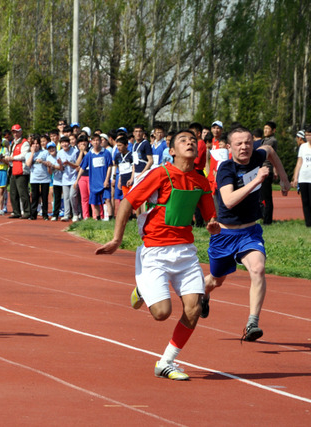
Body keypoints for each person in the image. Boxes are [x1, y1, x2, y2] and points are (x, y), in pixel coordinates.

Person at [96, 130, 219, 380]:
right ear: (171, 151)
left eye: (193, 141)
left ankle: (166, 362)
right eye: (183, 141)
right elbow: (128, 202)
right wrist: (117, 239)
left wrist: (213, 224)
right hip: (155, 251)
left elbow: (210, 216)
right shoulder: (160, 173)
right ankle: (143, 288)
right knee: (162, 314)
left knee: (193, 309)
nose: (190, 143)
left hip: (185, 252)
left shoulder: (201, 180)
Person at [203, 126, 291, 342]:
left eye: (248, 142)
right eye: (239, 143)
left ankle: (253, 321)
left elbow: (269, 150)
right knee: (215, 280)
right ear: (229, 147)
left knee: (258, 269)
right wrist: (257, 180)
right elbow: (229, 201)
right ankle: (203, 296)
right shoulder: (226, 169)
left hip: (249, 232)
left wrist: (284, 177)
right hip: (224, 235)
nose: (244, 147)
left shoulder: (258, 154)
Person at [75, 132, 112, 220]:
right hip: (94, 182)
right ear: (91, 142)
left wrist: (107, 179)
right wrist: (77, 180)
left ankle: (110, 218)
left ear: (100, 141)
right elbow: (82, 167)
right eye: (94, 141)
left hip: (104, 180)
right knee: (95, 201)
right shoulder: (89, 154)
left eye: (97, 140)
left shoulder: (106, 153)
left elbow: (110, 166)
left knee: (107, 199)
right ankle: (98, 218)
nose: (96, 142)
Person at [6, 124, 31, 219]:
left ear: (21, 132)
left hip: (21, 170)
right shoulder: (13, 142)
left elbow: (24, 155)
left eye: (16, 132)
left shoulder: (24, 143)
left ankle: (27, 211)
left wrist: (12, 158)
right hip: (13, 168)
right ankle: (16, 211)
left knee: (23, 192)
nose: (15, 134)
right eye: (13, 132)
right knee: (13, 192)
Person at [27, 134, 50, 220]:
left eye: (37, 143)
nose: (35, 145)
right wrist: (32, 153)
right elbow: (28, 164)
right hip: (34, 178)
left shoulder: (45, 152)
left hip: (45, 178)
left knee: (44, 197)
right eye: (33, 143)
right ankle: (33, 214)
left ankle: (45, 214)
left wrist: (42, 162)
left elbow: (49, 163)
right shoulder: (29, 154)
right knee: (34, 197)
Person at [259, 121, 278, 224]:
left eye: (268, 128)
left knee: (267, 197)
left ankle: (267, 220)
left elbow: (262, 150)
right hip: (261, 169)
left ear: (273, 130)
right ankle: (264, 217)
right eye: (264, 128)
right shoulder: (264, 140)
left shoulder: (272, 141)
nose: (265, 130)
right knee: (262, 196)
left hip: (267, 170)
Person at [57, 135, 80, 221]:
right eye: (62, 143)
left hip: (74, 177)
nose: (64, 144)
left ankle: (75, 214)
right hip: (65, 178)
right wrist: (60, 164)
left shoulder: (75, 151)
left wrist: (68, 163)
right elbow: (61, 168)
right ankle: (66, 214)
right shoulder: (60, 153)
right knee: (66, 197)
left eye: (66, 142)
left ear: (69, 143)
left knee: (72, 196)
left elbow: (77, 165)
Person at [292, 127, 311, 227]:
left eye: (310, 135)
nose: (308, 137)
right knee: (305, 201)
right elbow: (299, 162)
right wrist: (296, 177)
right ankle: (308, 223)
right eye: (307, 135)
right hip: (304, 177)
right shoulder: (303, 147)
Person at [45, 141, 63, 220]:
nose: (51, 150)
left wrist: (53, 165)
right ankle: (55, 214)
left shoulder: (60, 155)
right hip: (56, 179)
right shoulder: (48, 158)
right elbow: (50, 172)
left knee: (66, 196)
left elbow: (61, 167)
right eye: (49, 149)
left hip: (64, 179)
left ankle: (67, 212)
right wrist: (49, 167)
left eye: (52, 148)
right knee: (57, 196)